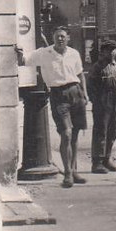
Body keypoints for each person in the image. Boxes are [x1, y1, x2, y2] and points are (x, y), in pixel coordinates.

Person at [31, 26, 88, 188]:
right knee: (66, 134)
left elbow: (80, 74)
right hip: (58, 95)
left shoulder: (74, 54)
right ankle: (67, 173)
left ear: (68, 38)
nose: (60, 39)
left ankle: (74, 170)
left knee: (75, 133)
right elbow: (25, 59)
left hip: (76, 93)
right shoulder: (44, 53)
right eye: (57, 36)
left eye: (63, 36)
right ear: (53, 38)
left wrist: (85, 94)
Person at [86, 38, 116, 174]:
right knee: (101, 131)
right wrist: (96, 101)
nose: (112, 53)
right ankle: (97, 162)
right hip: (102, 101)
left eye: (114, 50)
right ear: (104, 52)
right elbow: (90, 86)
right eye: (109, 50)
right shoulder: (97, 67)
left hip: (114, 101)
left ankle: (107, 159)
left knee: (113, 131)